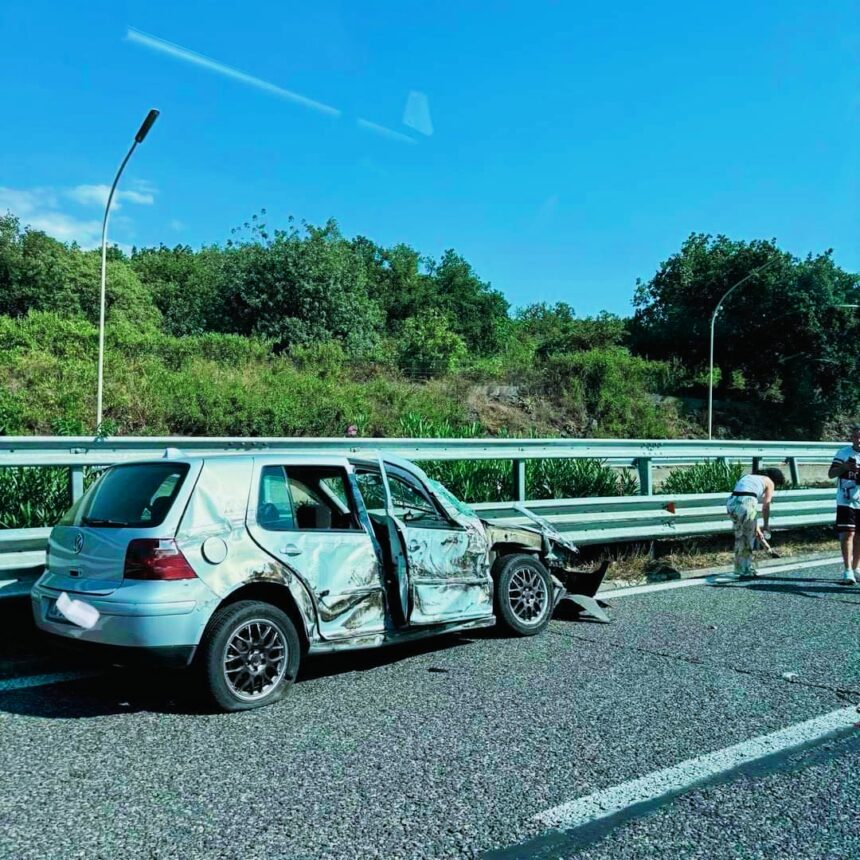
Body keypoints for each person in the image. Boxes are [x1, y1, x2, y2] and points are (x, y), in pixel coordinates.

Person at [725, 468, 785, 577]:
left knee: (740, 537)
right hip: (747, 502)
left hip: (731, 503)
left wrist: (757, 529)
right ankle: (746, 570)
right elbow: (766, 505)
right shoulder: (769, 482)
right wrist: (766, 525)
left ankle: (738, 568)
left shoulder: (749, 477)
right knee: (748, 539)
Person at [827, 424, 860, 585]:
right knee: (848, 534)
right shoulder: (843, 453)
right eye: (856, 437)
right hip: (846, 500)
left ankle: (856, 568)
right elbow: (831, 474)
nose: (858, 440)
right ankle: (847, 570)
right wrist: (844, 467)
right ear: (852, 438)